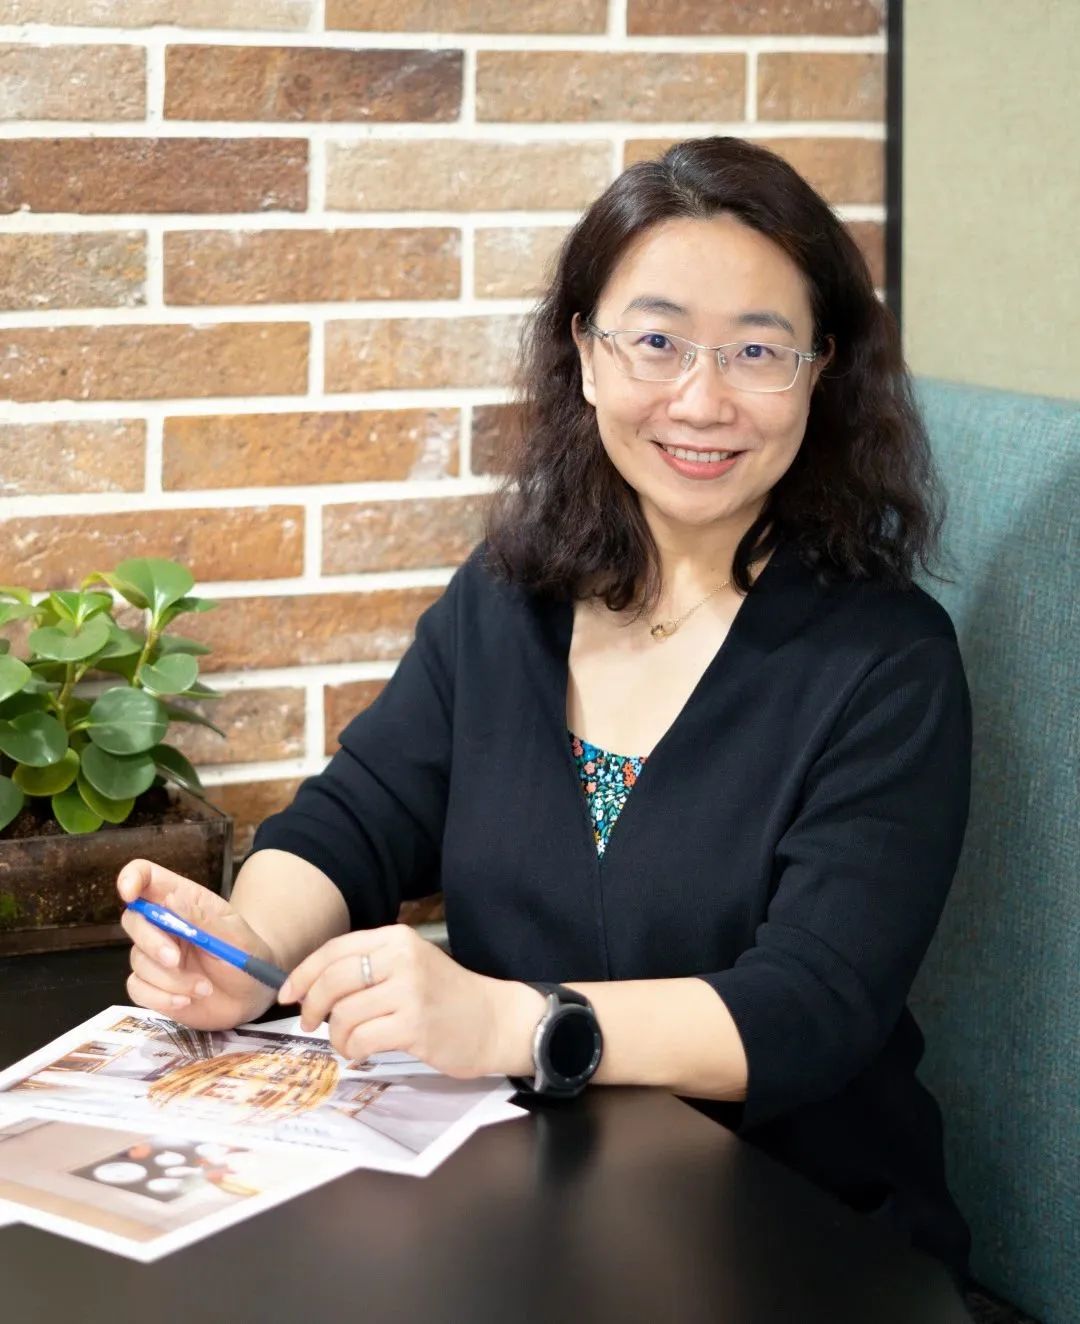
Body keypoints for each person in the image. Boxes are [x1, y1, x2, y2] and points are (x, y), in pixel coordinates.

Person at [118, 136, 972, 1283]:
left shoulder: (890, 662)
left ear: (822, 373)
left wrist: (517, 1024)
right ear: (585, 354)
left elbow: (811, 1006)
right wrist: (250, 947)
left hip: (797, 1237)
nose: (702, 398)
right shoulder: (509, 597)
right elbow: (355, 817)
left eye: (757, 350)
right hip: (531, 1214)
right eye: (657, 341)